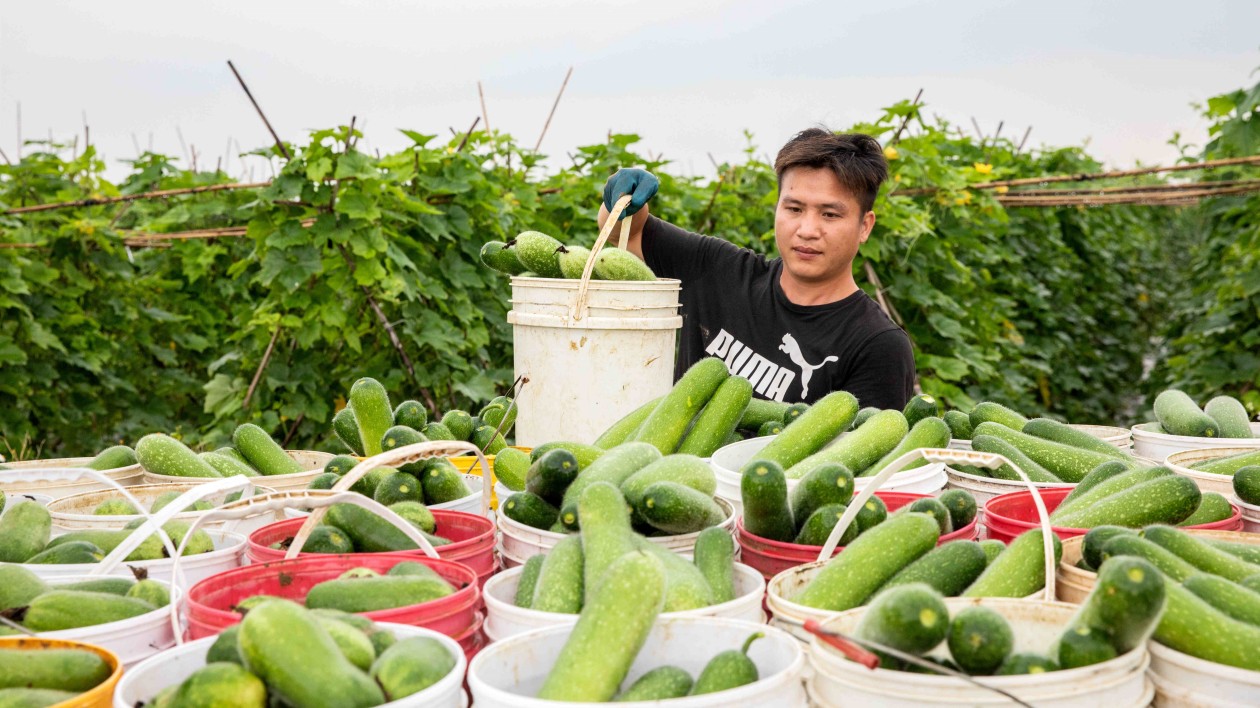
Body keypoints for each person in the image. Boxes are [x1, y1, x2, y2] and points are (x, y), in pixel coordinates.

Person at [597, 128, 915, 409]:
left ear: (865, 226)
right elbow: (626, 232)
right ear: (777, 208)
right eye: (794, 208)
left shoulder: (877, 346)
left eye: (830, 215)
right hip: (669, 474)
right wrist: (622, 197)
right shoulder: (717, 270)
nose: (807, 229)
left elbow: (864, 464)